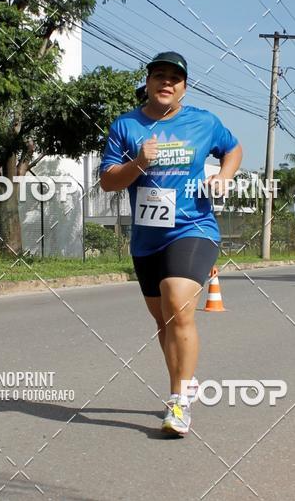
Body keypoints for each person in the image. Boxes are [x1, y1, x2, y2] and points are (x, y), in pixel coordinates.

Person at [99, 52, 242, 436]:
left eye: (175, 78)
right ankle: (183, 383)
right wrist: (138, 164)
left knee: (178, 304)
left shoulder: (204, 122)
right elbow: (108, 181)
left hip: (194, 228)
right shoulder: (125, 126)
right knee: (164, 320)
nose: (167, 82)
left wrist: (224, 176)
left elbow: (233, 148)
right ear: (147, 82)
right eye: (159, 75)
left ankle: (179, 402)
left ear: (184, 86)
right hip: (147, 238)